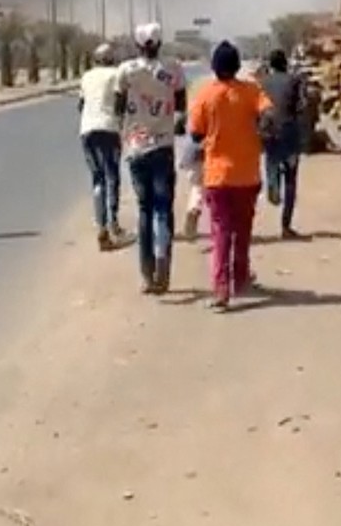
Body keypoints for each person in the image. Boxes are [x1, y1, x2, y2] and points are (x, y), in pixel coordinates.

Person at [189, 40, 269, 311]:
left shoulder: (205, 95)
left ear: (214, 67)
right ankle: (241, 277)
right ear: (236, 66)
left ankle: (222, 289)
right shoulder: (251, 91)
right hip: (247, 173)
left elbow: (195, 133)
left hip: (217, 177)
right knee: (243, 229)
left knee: (221, 233)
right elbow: (268, 114)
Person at [115, 23, 186, 295]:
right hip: (163, 147)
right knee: (162, 209)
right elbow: (181, 109)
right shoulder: (173, 69)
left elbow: (118, 109)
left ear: (137, 45)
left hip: (136, 148)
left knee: (144, 209)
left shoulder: (126, 71)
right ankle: (163, 264)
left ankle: (146, 274)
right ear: (159, 44)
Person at [78, 41, 123, 251]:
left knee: (97, 178)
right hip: (109, 128)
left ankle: (101, 229)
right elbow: (121, 102)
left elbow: (81, 105)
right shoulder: (116, 74)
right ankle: (113, 223)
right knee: (112, 175)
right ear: (112, 59)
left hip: (87, 130)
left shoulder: (86, 76)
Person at [261, 48, 307, 238]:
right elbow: (302, 105)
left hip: (269, 132)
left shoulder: (262, 83)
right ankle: (286, 225)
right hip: (290, 133)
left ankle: (272, 186)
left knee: (272, 164)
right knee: (291, 179)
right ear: (285, 63)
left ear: (270, 65)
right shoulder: (294, 80)